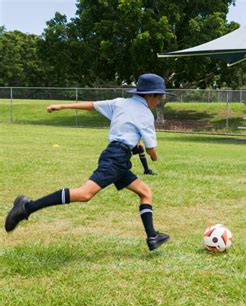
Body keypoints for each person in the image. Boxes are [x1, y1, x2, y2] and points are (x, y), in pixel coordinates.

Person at [4, 73, 172, 251]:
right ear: (150, 95)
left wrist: (62, 105)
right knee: (84, 194)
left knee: (145, 192)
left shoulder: (120, 103)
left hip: (116, 157)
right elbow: (151, 149)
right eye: (159, 96)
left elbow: (92, 105)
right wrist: (154, 157)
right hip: (116, 158)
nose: (159, 100)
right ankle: (27, 207)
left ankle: (152, 237)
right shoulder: (145, 114)